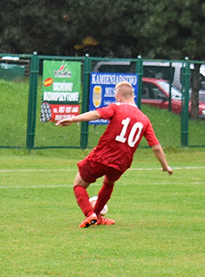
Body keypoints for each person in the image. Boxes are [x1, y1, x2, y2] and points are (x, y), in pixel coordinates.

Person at [55, 80, 173, 227]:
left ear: (118, 96)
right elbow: (155, 146)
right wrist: (165, 166)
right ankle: (97, 216)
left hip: (102, 156)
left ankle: (90, 214)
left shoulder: (117, 107)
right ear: (133, 96)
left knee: (78, 184)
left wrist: (73, 119)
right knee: (109, 182)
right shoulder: (144, 119)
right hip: (122, 163)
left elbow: (96, 115)